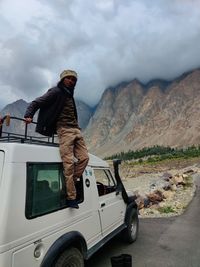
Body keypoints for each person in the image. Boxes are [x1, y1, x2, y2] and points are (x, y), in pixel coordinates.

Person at [24, 69, 89, 209]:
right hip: (64, 131)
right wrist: (28, 115)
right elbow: (37, 102)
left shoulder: (69, 95)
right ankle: (70, 197)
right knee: (68, 163)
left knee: (84, 158)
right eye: (69, 78)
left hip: (76, 130)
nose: (71, 81)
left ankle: (69, 182)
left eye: (73, 80)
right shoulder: (56, 92)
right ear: (62, 79)